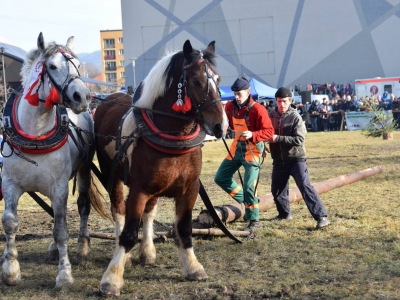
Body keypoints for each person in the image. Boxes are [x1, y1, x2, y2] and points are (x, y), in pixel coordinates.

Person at [214, 77, 274, 230]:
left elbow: (269, 132)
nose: (236, 97)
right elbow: (226, 122)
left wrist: (253, 135)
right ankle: (249, 202)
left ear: (248, 92)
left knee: (249, 185)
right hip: (236, 147)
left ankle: (254, 221)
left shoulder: (259, 109)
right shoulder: (230, 107)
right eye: (235, 94)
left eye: (239, 94)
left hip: (253, 149)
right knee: (220, 177)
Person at [267, 87, 330, 229]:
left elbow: (299, 139)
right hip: (278, 160)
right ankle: (284, 214)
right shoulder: (271, 116)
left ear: (290, 101)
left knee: (305, 186)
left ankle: (321, 217)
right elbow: (265, 133)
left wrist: (278, 138)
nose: (281, 105)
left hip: (296, 159)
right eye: (278, 101)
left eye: (284, 101)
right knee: (277, 190)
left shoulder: (295, 117)